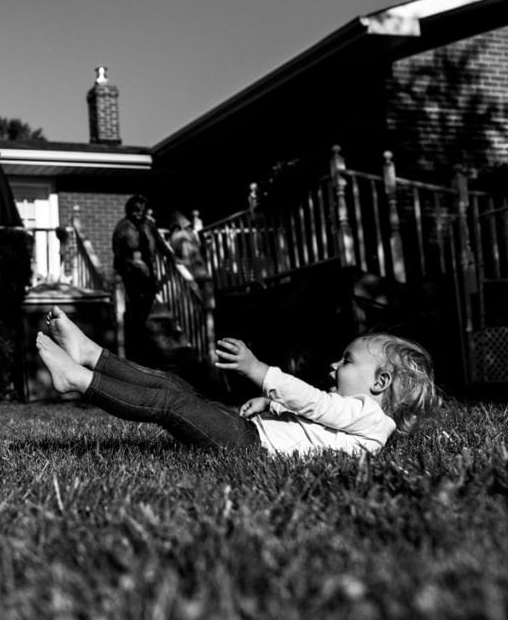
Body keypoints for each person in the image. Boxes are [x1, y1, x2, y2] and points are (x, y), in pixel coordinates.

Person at [36, 307, 438, 456]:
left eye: (347, 361)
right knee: (174, 387)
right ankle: (91, 355)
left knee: (170, 405)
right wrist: (272, 405)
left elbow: (317, 405)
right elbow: (321, 424)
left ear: (381, 381)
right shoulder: (361, 416)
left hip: (246, 445)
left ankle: (79, 379)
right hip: (246, 433)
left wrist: (260, 372)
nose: (334, 364)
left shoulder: (371, 419)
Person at [112, 195, 157, 362]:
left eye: (142, 210)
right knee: (135, 304)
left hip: (148, 270)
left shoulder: (149, 225)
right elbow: (117, 253)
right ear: (130, 210)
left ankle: (139, 329)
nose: (139, 213)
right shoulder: (122, 227)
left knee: (150, 295)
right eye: (136, 210)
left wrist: (174, 259)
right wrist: (133, 263)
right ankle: (134, 343)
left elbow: (159, 243)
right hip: (130, 272)